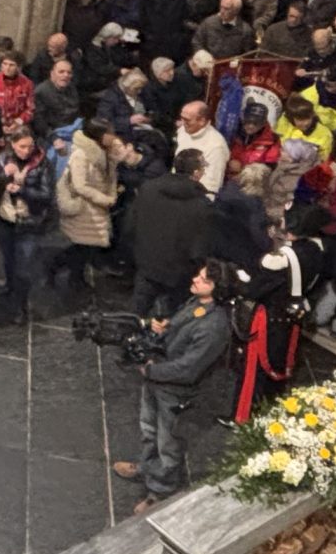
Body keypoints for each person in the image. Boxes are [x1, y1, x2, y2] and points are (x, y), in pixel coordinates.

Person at [115, 261, 231, 514]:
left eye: (204, 280)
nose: (195, 279)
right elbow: (179, 327)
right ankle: (147, 467)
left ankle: (161, 489)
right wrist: (164, 328)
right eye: (199, 275)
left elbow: (190, 367)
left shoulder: (214, 326)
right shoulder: (196, 303)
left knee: (168, 441)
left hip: (175, 388)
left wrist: (151, 371)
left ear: (218, 289)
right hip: (159, 377)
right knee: (149, 428)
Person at [131, 147, 216, 319]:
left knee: (136, 314)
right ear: (197, 173)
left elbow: (131, 224)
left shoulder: (148, 189)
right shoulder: (201, 205)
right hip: (179, 274)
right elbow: (200, 245)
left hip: (147, 264)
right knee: (172, 319)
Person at [0, 125, 56, 320]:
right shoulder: (2, 159)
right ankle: (10, 288)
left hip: (30, 222)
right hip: (5, 220)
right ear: (13, 145)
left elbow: (47, 195)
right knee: (8, 259)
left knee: (24, 266)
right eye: (22, 146)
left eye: (30, 146)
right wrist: (3, 176)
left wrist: (22, 190)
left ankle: (21, 305)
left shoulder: (42, 163)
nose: (26, 151)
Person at [48, 116, 122, 291]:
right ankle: (63, 272)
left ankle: (72, 275)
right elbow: (80, 185)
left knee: (86, 246)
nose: (113, 136)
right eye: (109, 133)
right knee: (82, 246)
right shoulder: (81, 155)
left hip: (95, 208)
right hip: (84, 208)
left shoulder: (104, 151)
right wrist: (105, 199)